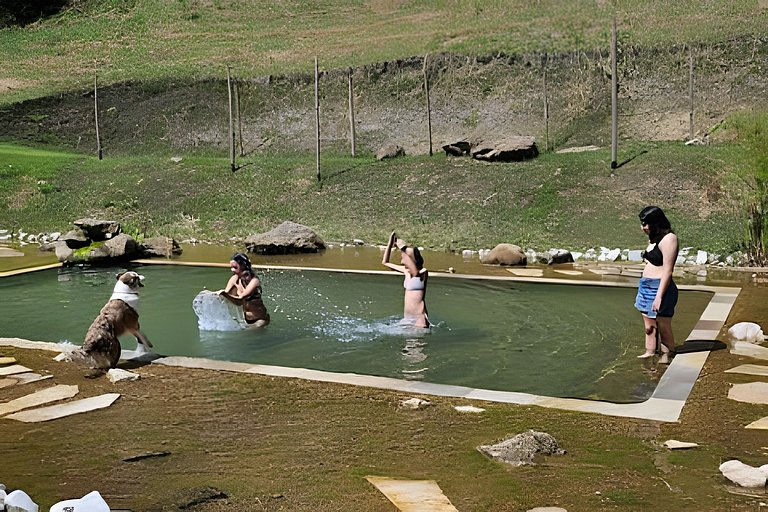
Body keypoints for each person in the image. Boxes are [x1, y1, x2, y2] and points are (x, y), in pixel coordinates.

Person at [634, 206, 678, 363]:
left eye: (646, 224)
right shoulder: (653, 239)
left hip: (660, 287)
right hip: (646, 286)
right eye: (642, 223)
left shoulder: (669, 239)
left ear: (656, 222)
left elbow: (668, 270)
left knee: (663, 325)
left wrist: (659, 296)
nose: (643, 228)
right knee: (649, 327)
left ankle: (667, 356)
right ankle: (650, 352)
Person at [382, 231, 430, 328]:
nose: (402, 256)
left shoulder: (423, 272)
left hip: (419, 320)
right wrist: (390, 243)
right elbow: (385, 262)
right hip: (407, 318)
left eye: (406, 255)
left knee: (415, 342)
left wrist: (403, 248)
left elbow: (415, 272)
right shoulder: (406, 271)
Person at [220, 252, 270, 327]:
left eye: (235, 267)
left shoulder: (254, 281)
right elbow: (226, 294)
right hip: (245, 320)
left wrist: (224, 294)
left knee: (246, 335)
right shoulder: (234, 279)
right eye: (231, 267)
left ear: (243, 266)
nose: (232, 270)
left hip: (259, 320)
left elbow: (240, 299)